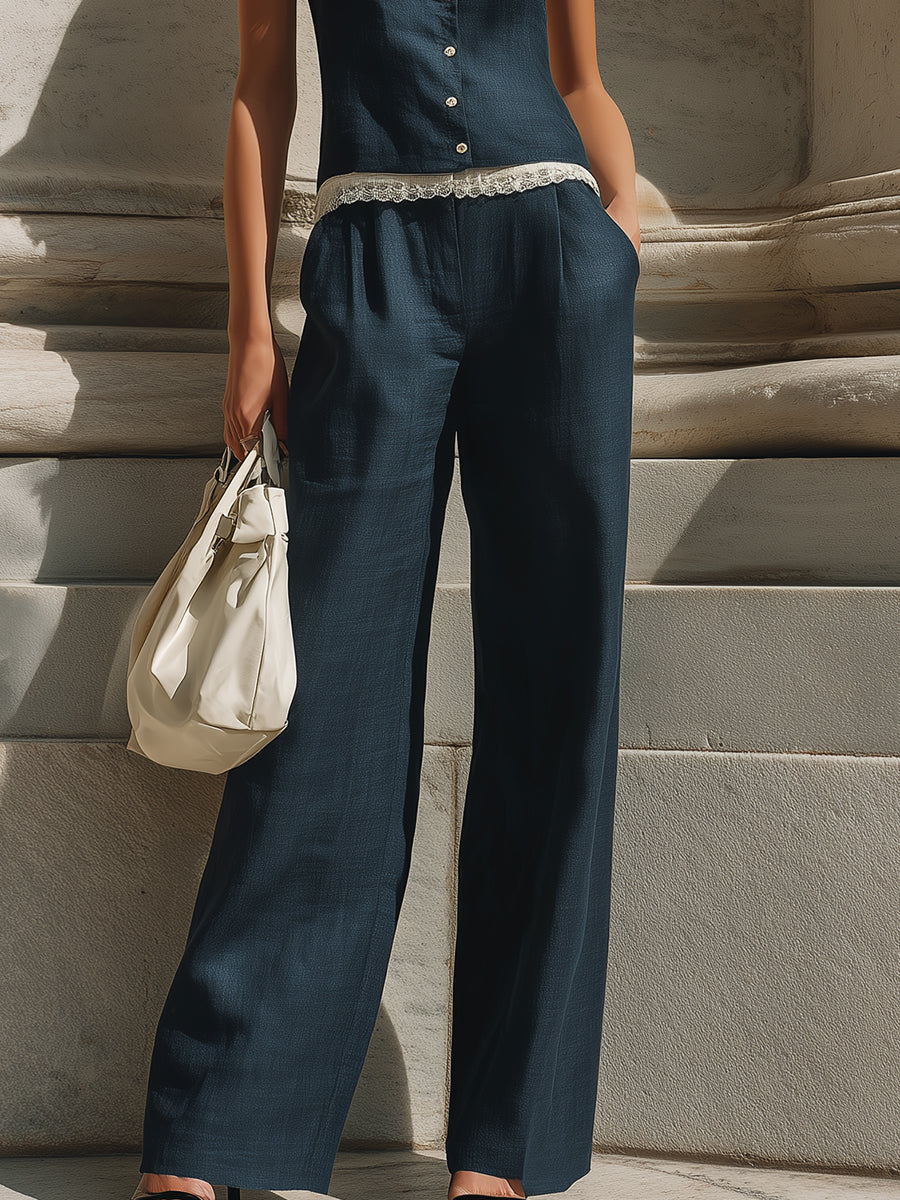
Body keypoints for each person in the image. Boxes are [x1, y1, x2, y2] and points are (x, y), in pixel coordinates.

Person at [131, 0, 640, 1197]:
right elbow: (263, 82)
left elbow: (583, 75)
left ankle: (505, 1158)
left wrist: (618, 234)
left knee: (557, 697)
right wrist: (249, 325)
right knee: (324, 709)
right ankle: (215, 1134)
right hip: (370, 271)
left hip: (557, 268)